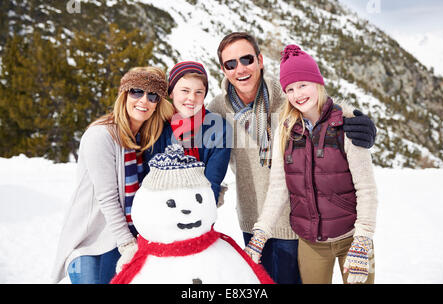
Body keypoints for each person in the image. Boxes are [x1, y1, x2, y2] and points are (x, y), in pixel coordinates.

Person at [207, 32, 377, 284]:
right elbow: (199, 147)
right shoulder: (218, 110)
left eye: (246, 59)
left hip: (299, 225)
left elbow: (322, 106)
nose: (240, 69)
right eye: (230, 64)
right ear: (223, 69)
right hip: (254, 223)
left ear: (260, 60)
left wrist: (362, 125)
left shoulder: (286, 99)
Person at [51, 67, 174, 283]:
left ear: (157, 104)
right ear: (124, 95)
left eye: (152, 95)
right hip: (92, 241)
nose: (143, 101)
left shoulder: (145, 140)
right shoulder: (101, 135)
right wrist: (127, 243)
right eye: (136, 92)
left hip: (127, 238)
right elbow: (107, 197)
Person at [150, 61, 231, 205]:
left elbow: (212, 182)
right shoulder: (156, 125)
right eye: (185, 91)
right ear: (171, 92)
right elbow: (148, 175)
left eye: (199, 92)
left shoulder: (219, 129)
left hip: (199, 211)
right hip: (159, 208)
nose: (192, 98)